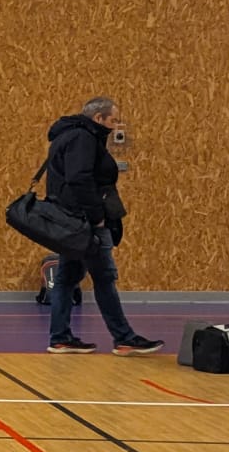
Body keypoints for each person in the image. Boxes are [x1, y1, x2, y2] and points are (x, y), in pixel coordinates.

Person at [45, 96, 161, 356]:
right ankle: (124, 338)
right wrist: (96, 215)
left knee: (67, 278)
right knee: (104, 277)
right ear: (99, 118)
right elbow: (79, 179)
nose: (115, 126)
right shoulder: (83, 138)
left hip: (69, 220)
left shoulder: (68, 135)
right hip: (85, 222)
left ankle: (60, 338)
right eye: (113, 120)